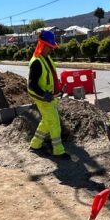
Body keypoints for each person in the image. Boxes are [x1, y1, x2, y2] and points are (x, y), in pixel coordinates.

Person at [27, 30, 68, 158]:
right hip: (43, 98)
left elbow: (51, 76)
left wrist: (58, 90)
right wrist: (44, 94)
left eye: (52, 47)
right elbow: (31, 85)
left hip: (50, 96)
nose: (51, 50)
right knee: (54, 122)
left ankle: (35, 144)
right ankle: (58, 151)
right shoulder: (37, 62)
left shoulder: (47, 58)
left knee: (46, 121)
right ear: (42, 45)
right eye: (50, 47)